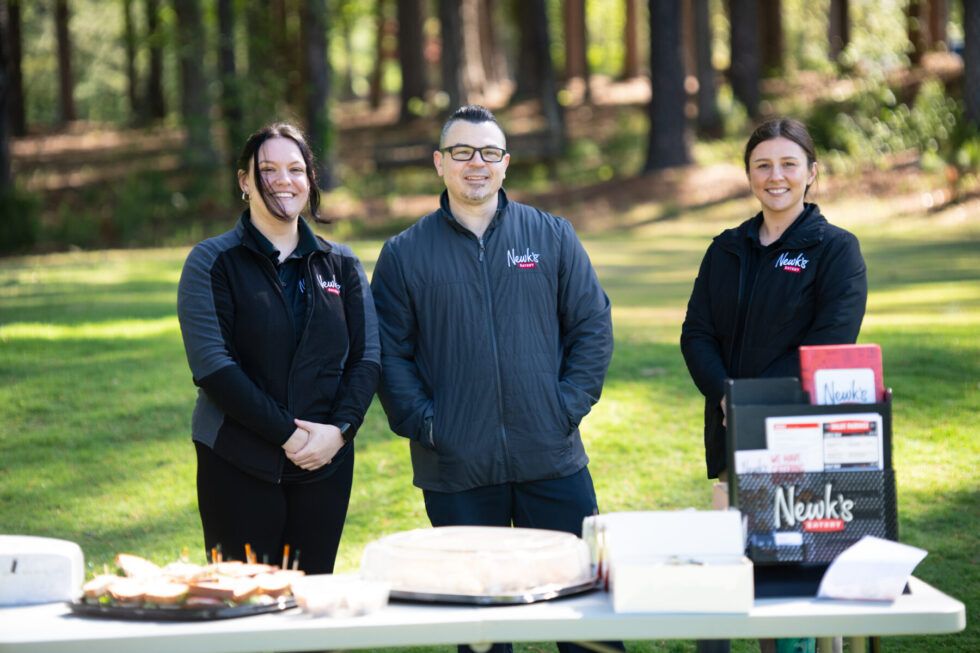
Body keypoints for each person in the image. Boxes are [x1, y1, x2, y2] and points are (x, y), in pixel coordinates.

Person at [370, 105, 620, 653]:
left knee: (585, 617)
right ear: (440, 163)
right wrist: (430, 426)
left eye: (488, 152)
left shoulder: (552, 235)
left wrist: (564, 408)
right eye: (461, 152)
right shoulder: (404, 254)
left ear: (506, 163)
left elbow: (592, 326)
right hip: (457, 468)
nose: (476, 163)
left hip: (551, 458)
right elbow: (388, 355)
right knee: (480, 628)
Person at [680, 118, 867, 653]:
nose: (775, 176)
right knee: (749, 576)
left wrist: (751, 403)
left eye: (789, 164)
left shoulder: (836, 249)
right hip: (732, 434)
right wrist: (726, 397)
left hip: (800, 440)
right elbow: (696, 334)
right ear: (749, 175)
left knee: (798, 589)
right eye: (763, 165)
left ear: (812, 172)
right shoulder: (726, 249)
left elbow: (829, 343)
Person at [177, 122, 380, 574]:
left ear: (310, 179)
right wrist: (289, 435)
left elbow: (367, 359)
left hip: (325, 464)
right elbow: (213, 367)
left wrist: (339, 432)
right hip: (237, 461)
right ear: (245, 181)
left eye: (296, 169)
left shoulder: (342, 264)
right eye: (268, 170)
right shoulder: (211, 261)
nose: (283, 180)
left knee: (311, 600)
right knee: (243, 601)